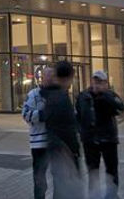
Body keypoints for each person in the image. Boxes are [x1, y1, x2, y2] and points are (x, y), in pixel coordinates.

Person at [77, 70, 124, 199]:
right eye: (95, 81)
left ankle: (112, 195)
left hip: (108, 139)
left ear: (106, 83)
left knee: (111, 170)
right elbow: (78, 115)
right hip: (90, 140)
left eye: (100, 82)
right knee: (92, 171)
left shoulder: (110, 95)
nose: (97, 84)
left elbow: (121, 108)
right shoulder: (83, 96)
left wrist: (105, 94)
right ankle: (94, 195)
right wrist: (81, 131)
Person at [42, 61, 83, 199]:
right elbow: (53, 128)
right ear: (68, 77)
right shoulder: (58, 98)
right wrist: (65, 152)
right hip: (65, 157)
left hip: (65, 156)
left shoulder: (58, 95)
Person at [22, 65, 54, 199]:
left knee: (59, 176)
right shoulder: (33, 94)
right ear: (43, 78)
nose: (51, 80)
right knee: (40, 178)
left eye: (53, 77)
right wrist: (42, 115)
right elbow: (25, 114)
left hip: (55, 142)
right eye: (48, 77)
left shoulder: (58, 94)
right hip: (39, 143)